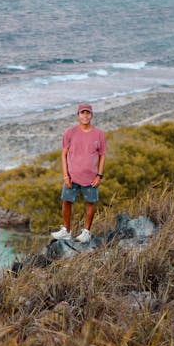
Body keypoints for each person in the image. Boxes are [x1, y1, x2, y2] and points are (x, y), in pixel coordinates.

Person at [51, 103, 106, 243]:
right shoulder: (70, 132)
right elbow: (63, 155)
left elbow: (102, 155)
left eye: (88, 113)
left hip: (91, 177)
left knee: (90, 203)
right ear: (78, 115)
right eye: (83, 113)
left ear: (91, 115)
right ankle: (66, 231)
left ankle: (87, 232)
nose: (85, 115)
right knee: (66, 201)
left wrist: (99, 175)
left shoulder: (99, 134)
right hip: (72, 176)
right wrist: (65, 175)